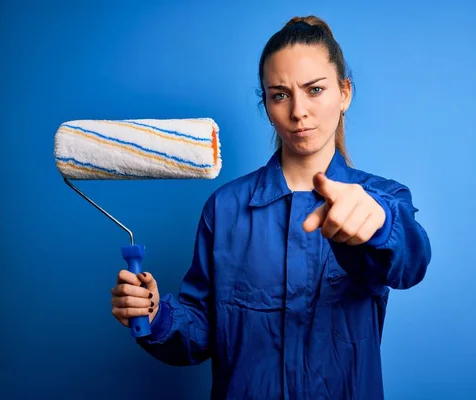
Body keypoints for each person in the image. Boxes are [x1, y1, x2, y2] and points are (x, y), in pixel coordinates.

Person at [110, 15, 431, 400]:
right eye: (280, 94)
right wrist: (156, 312)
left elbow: (412, 262)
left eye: (314, 90)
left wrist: (379, 223)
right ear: (266, 105)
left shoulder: (382, 198)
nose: (298, 111)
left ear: (344, 93)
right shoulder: (225, 209)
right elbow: (200, 331)